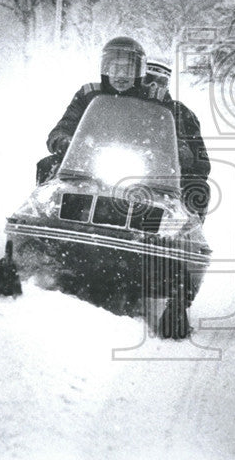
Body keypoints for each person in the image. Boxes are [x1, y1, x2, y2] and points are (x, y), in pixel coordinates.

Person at [44, 36, 211, 339]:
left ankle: (181, 267)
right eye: (113, 66)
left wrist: (177, 154)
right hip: (90, 168)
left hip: (148, 178)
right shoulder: (88, 94)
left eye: (128, 68)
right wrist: (64, 141)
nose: (120, 75)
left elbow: (188, 149)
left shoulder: (163, 104)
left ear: (141, 72)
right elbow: (64, 126)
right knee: (46, 166)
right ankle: (40, 224)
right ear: (104, 67)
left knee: (194, 192)